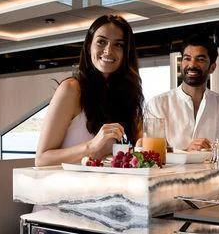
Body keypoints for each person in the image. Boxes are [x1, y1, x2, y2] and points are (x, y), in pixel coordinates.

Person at [35, 15, 144, 167]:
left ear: (126, 53)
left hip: (111, 188)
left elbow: (140, 142)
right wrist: (91, 146)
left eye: (118, 45)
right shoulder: (71, 89)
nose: (108, 51)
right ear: (88, 46)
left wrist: (141, 145)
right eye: (101, 42)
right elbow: (42, 159)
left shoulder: (127, 95)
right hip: (70, 189)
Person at [145, 33, 219, 151]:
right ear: (181, 63)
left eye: (200, 59)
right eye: (187, 58)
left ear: (212, 67)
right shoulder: (157, 104)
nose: (192, 65)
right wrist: (187, 153)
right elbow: (153, 154)